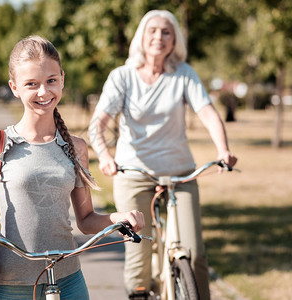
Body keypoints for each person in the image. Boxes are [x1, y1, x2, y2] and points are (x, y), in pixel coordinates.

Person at [0, 35, 145, 300]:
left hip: (69, 282)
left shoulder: (77, 148)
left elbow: (85, 221)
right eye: (31, 84)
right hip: (8, 287)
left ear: (62, 78)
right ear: (14, 87)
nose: (43, 92)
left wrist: (120, 217)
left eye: (51, 81)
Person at [88, 10, 237, 300]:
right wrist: (105, 155)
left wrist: (223, 150)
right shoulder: (122, 77)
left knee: (194, 255)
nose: (159, 37)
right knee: (138, 257)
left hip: (181, 174)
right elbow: (99, 124)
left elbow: (207, 113)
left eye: (166, 32)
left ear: (175, 40)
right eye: (152, 31)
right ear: (141, 37)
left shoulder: (184, 74)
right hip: (133, 175)